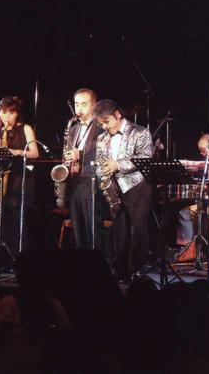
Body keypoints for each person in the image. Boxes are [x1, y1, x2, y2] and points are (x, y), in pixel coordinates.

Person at [93, 99, 153, 281]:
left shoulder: (140, 132)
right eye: (101, 124)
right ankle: (120, 271)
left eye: (107, 122)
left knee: (138, 228)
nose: (104, 127)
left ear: (117, 114)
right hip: (115, 187)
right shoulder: (102, 138)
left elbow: (145, 158)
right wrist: (103, 178)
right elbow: (100, 162)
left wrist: (117, 165)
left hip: (137, 186)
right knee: (120, 230)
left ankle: (138, 268)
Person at [0, 96, 38, 260]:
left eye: (11, 113)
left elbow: (35, 153)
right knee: (4, 223)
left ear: (17, 113)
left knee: (19, 222)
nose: (7, 117)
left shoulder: (26, 128)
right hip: (5, 179)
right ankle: (4, 260)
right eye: (3, 113)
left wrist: (17, 152)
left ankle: (20, 260)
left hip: (21, 178)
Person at [66, 88, 108, 254]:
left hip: (93, 182)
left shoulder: (102, 127)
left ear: (94, 105)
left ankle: (99, 262)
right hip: (76, 182)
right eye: (77, 104)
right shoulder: (73, 129)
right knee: (78, 228)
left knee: (93, 227)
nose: (79, 108)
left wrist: (81, 154)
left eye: (84, 104)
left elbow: (104, 152)